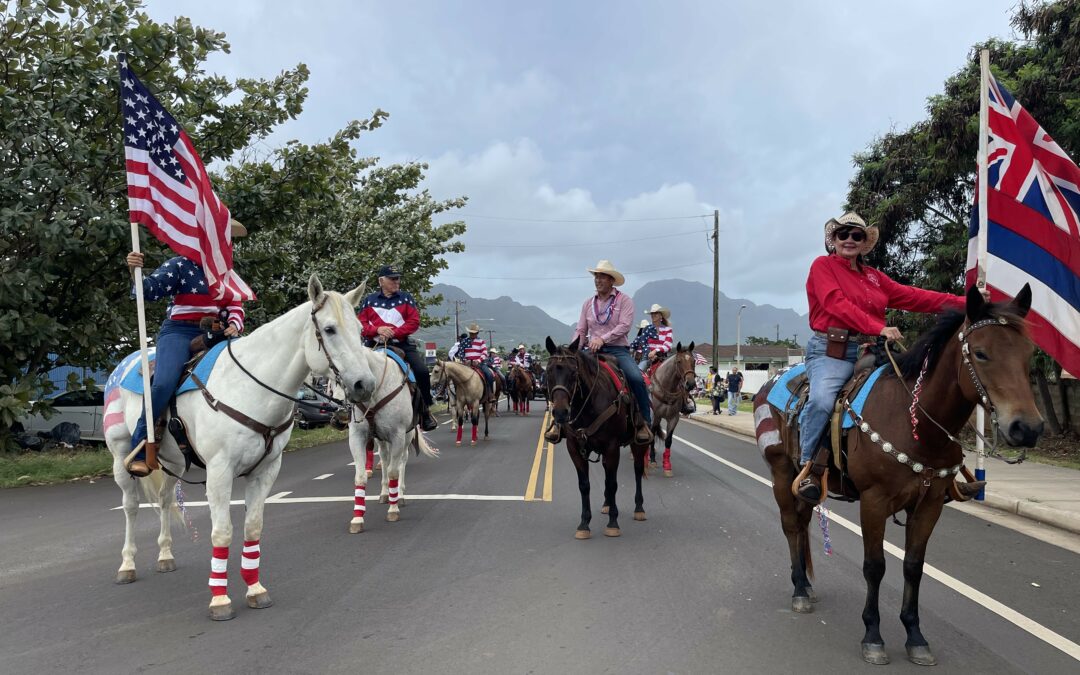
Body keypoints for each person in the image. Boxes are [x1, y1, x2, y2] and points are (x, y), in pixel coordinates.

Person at [795, 211, 980, 503]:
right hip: (833, 352)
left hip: (873, 350)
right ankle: (809, 468)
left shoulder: (874, 277)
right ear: (833, 239)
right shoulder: (822, 267)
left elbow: (917, 297)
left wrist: (970, 302)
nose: (850, 240)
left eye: (857, 235)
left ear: (864, 242)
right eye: (843, 234)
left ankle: (943, 470)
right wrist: (878, 326)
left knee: (918, 395)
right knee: (821, 401)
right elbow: (836, 304)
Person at [122, 219, 249, 477]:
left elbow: (235, 305)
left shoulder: (226, 272)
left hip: (214, 332)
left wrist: (235, 324)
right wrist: (134, 270)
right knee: (164, 382)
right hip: (179, 332)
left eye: (224, 238)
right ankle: (141, 443)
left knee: (247, 368)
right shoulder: (179, 265)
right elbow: (148, 291)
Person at [562, 259, 652, 444]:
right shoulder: (588, 304)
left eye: (602, 276)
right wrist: (572, 350)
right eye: (596, 276)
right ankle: (562, 422)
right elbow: (581, 330)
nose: (598, 280)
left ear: (611, 280)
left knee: (636, 378)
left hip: (617, 349)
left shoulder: (624, 301)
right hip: (592, 351)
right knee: (568, 374)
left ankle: (643, 423)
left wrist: (602, 338)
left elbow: (624, 326)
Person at [357, 264, 438, 432]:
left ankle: (425, 412)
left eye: (398, 278)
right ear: (381, 281)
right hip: (373, 345)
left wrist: (393, 333)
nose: (396, 282)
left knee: (422, 371)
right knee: (351, 372)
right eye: (392, 279)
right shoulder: (369, 300)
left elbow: (414, 322)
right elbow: (361, 324)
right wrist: (377, 330)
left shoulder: (406, 298)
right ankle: (346, 412)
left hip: (401, 344)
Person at [459, 323, 495, 397]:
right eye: (471, 333)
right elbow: (461, 353)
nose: (472, 334)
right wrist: (464, 360)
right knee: (455, 375)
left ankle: (490, 393)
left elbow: (484, 353)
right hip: (467, 364)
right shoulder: (464, 341)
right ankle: (456, 395)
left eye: (474, 333)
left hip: (479, 363)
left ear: (477, 333)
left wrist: (478, 360)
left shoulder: (481, 341)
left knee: (489, 374)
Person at [637, 304, 674, 371]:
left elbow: (668, 345)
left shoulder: (668, 329)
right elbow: (643, 344)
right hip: (647, 357)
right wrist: (650, 354)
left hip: (663, 357)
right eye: (652, 313)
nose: (653, 315)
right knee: (638, 374)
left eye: (656, 313)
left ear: (661, 315)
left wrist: (655, 351)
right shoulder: (646, 329)